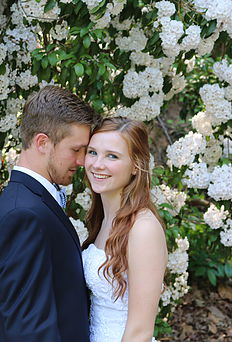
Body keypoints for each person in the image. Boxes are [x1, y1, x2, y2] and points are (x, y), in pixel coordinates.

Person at [0, 85, 100, 342]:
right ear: (42, 142)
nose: (81, 161)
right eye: (75, 149)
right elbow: (28, 328)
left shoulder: (32, 201)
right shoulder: (24, 214)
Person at [82, 117, 168, 342]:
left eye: (112, 156)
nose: (97, 164)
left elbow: (140, 332)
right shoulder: (102, 219)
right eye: (92, 152)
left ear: (136, 166)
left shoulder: (143, 229)